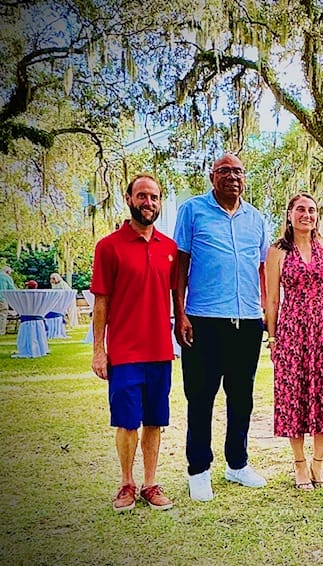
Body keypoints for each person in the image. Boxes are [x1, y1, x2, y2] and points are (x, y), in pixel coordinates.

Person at [173, 152, 269, 501]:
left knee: (241, 397)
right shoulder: (192, 211)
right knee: (201, 397)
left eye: (238, 171)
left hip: (246, 321)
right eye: (224, 171)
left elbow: (262, 269)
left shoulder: (256, 219)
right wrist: (179, 312)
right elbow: (180, 266)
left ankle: (237, 464)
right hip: (203, 320)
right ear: (212, 177)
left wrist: (266, 310)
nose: (232, 177)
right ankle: (199, 469)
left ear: (245, 178)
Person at [90, 174, 177, 512]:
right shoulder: (108, 247)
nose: (149, 203)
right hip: (125, 353)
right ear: (128, 199)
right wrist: (99, 349)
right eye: (142, 196)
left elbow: (177, 295)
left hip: (160, 351)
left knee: (155, 421)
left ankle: (150, 483)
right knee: (127, 422)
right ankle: (126, 483)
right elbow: (101, 302)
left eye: (154, 197)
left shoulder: (169, 249)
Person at [265, 193, 323, 490]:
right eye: (300, 209)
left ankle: (318, 464)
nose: (307, 214)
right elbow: (273, 298)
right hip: (292, 331)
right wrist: (273, 337)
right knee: (295, 396)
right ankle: (299, 464)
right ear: (289, 214)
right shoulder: (277, 251)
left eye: (312, 210)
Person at [0, 265, 16, 335]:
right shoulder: (7, 278)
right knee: (2, 314)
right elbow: (12, 290)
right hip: (2, 298)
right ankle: (1, 332)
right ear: (7, 272)